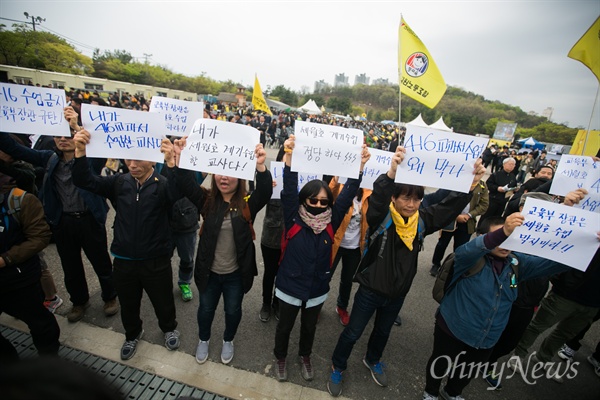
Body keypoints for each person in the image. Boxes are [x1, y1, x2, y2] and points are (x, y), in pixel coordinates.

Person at [327, 147, 487, 397]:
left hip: (397, 293)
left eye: (416, 199)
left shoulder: (422, 220)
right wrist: (391, 173)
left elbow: (448, 209)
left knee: (383, 331)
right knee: (353, 332)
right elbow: (378, 197)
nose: (411, 204)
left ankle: (373, 359)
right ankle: (338, 365)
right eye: (405, 198)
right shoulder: (381, 215)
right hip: (370, 289)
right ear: (394, 198)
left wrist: (470, 184)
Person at [421, 196, 581, 400]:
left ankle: (452, 392)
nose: (505, 243)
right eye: (500, 237)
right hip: (453, 326)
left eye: (510, 238)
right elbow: (472, 248)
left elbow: (554, 263)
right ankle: (431, 392)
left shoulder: (517, 262)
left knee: (469, 369)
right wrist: (504, 230)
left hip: (488, 335)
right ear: (483, 236)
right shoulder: (469, 257)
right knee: (441, 362)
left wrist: (586, 246)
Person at [0, 109, 119, 323]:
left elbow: (101, 143)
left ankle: (110, 297)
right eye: (58, 136)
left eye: (67, 136)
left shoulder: (89, 160)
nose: (63, 140)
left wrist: (76, 126)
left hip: (89, 220)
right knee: (70, 266)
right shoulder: (49, 158)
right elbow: (15, 149)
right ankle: (79, 302)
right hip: (63, 221)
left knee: (101, 263)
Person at [71, 129, 181, 361]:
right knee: (129, 303)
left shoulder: (163, 184)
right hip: (124, 260)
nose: (132, 164)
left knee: (163, 300)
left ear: (152, 158)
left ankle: (169, 328)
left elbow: (177, 197)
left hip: (155, 260)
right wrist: (80, 152)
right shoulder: (119, 182)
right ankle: (132, 334)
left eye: (138, 159)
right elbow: (84, 180)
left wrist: (171, 162)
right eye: (128, 159)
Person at [274, 135, 370, 382]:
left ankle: (304, 356)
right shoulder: (293, 216)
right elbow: (288, 187)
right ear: (304, 199)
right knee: (284, 327)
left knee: (309, 327)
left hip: (317, 286)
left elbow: (348, 194)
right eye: (313, 200)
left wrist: (358, 169)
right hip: (289, 284)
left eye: (324, 201)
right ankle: (281, 357)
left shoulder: (332, 220)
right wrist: (289, 158)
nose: (318, 205)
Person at [170, 137, 272, 366]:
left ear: (241, 176)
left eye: (230, 172)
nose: (224, 177)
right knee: (205, 309)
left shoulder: (247, 204)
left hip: (236, 274)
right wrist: (180, 157)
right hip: (210, 272)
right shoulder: (206, 201)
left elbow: (265, 191)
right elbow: (185, 182)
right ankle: (203, 339)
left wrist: (261, 166)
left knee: (233, 310)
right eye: (219, 172)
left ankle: (228, 340)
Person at [0, 170, 60, 362]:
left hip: (19, 279)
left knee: (40, 323)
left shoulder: (21, 200)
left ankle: (49, 361)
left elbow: (40, 237)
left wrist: (6, 259)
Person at [328, 177, 371, 326]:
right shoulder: (340, 188)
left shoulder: (368, 194)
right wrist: (336, 177)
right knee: (325, 276)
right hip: (335, 244)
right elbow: (329, 194)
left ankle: (342, 307)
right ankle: (316, 304)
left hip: (355, 247)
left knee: (347, 280)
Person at [429, 179, 489, 276]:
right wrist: (455, 215)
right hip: (449, 219)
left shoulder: (481, 185)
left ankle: (454, 267)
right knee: (442, 244)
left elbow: (484, 205)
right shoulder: (456, 180)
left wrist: (469, 215)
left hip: (467, 221)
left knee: (461, 247)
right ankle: (436, 264)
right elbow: (443, 200)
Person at [259, 147, 285, 322]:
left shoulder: (305, 182)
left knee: (283, 274)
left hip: (291, 240)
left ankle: (277, 303)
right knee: (270, 273)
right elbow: (256, 199)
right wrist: (267, 187)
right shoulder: (272, 178)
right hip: (271, 237)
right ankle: (266, 304)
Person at [477, 157, 517, 230]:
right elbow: (488, 184)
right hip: (493, 199)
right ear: (504, 164)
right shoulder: (496, 174)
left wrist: (515, 189)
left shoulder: (512, 176)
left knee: (497, 217)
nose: (512, 166)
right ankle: (481, 229)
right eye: (510, 164)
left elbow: (513, 186)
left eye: (513, 165)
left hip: (503, 200)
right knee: (487, 215)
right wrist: (497, 188)